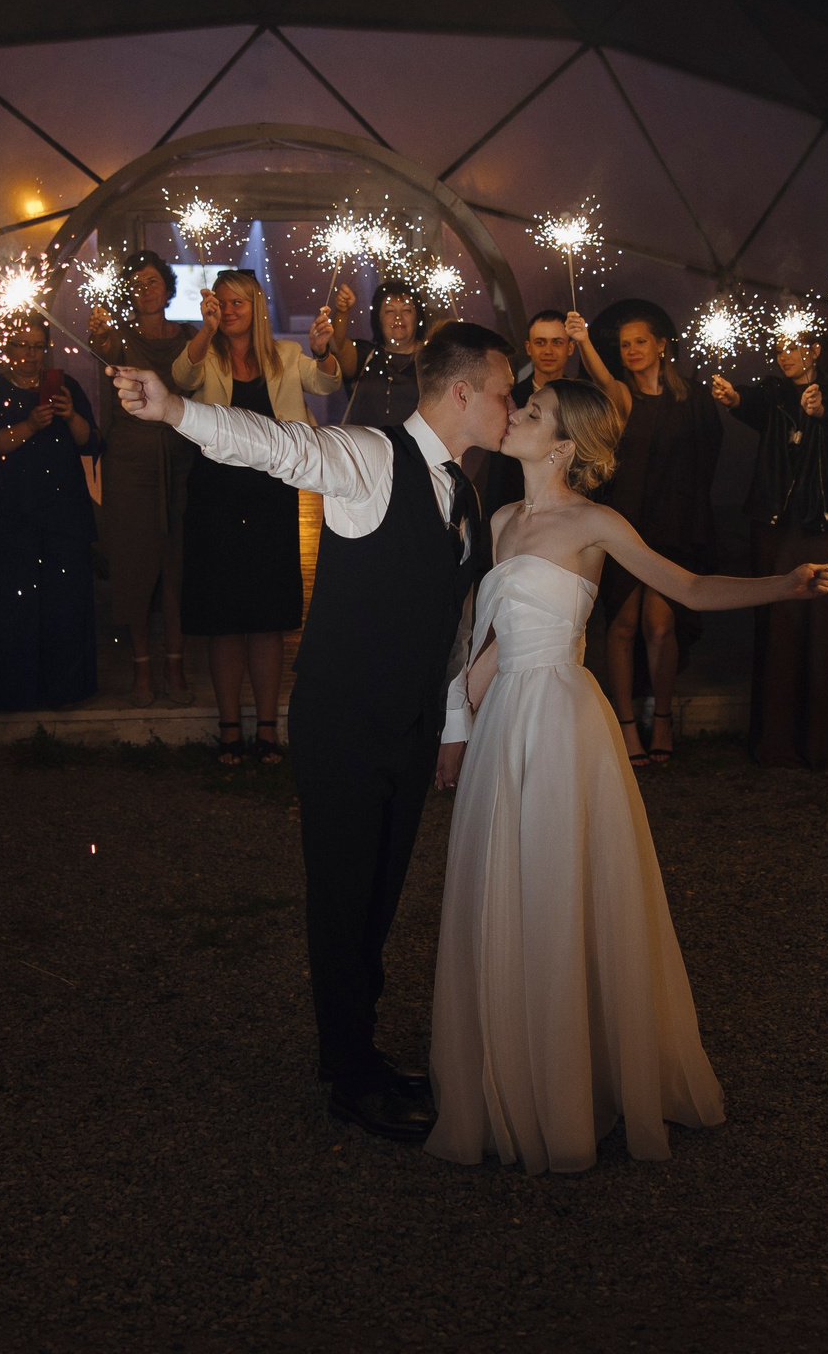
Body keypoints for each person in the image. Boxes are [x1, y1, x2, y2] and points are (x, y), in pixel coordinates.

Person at [428, 380, 828, 1173]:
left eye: (534, 412)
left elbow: (686, 587)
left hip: (560, 722)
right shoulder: (502, 519)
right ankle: (515, 1075)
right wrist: (454, 730)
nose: (514, 412)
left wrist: (783, 587)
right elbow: (483, 642)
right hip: (505, 720)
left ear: (564, 447)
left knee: (561, 884)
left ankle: (577, 1083)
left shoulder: (597, 522)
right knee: (504, 886)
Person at [111, 321, 508, 1144]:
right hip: (343, 723)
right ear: (463, 392)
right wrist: (178, 410)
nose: (513, 405)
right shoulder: (369, 456)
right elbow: (277, 445)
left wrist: (454, 721)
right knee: (342, 899)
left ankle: (354, 1050)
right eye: (505, 393)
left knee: (381, 900)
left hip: (410, 725)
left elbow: (455, 622)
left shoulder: (466, 493)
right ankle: (350, 1075)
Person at [170, 267, 344, 763]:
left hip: (270, 492)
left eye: (237, 303)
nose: (228, 311)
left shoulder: (286, 356)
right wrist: (203, 330)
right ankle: (229, 730)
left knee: (267, 617)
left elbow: (328, 383)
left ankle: (266, 731)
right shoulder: (207, 355)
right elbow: (181, 377)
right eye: (221, 303)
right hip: (215, 493)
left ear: (257, 307)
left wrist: (323, 348)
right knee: (224, 617)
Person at [714, 326, 828, 769]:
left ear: (814, 349)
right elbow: (752, 404)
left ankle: (820, 742)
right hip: (775, 522)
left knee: (819, 626)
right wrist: (733, 398)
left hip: (819, 521)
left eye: (791, 348)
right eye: (777, 350)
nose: (782, 357)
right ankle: (775, 742)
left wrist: (819, 411)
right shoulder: (774, 392)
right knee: (778, 622)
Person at [591, 302, 718, 766]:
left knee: (661, 627)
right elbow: (602, 381)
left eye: (640, 342)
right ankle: (626, 728)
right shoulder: (621, 395)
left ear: (662, 345)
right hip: (626, 524)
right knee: (622, 626)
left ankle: (662, 719)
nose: (632, 351)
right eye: (624, 345)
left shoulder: (693, 399)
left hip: (672, 526)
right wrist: (583, 339)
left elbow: (709, 459)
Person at [0, 321, 103, 711]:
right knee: (17, 603)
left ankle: (66, 690)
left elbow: (90, 440)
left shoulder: (66, 386)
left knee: (66, 601)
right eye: (21, 346)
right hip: (17, 513)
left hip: (65, 511)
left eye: (37, 347)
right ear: (8, 348)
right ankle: (19, 692)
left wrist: (70, 414)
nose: (29, 355)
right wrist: (30, 424)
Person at [89, 252, 197, 707]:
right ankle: (142, 671)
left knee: (176, 567)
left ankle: (175, 665)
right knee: (134, 567)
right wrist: (100, 337)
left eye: (153, 281)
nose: (146, 289)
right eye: (137, 283)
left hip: (180, 464)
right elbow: (107, 350)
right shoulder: (119, 338)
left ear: (168, 288)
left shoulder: (190, 338)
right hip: (130, 467)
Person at [473, 308, 616, 517]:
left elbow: (610, 390)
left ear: (570, 347)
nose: (548, 351)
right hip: (511, 507)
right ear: (529, 348)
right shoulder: (508, 398)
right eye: (540, 342)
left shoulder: (580, 404)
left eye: (557, 342)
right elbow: (497, 470)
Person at [343, 279, 426, 428]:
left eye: (406, 310)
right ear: (378, 319)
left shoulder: (433, 361)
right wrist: (342, 312)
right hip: (366, 449)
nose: (398, 317)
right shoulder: (365, 356)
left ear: (418, 317)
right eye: (389, 311)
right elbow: (337, 347)